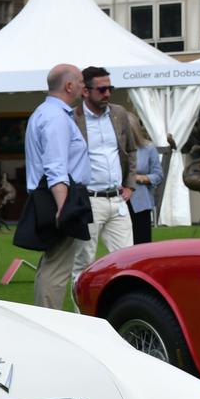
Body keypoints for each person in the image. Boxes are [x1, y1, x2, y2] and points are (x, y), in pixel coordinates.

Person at [24, 64, 90, 310]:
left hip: (56, 194)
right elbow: (55, 165)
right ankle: (50, 321)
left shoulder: (46, 113)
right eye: (82, 81)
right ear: (69, 86)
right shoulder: (55, 117)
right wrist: (64, 207)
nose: (85, 86)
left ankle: (45, 319)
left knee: (52, 263)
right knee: (58, 267)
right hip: (60, 196)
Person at [70, 66, 137, 296]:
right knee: (83, 263)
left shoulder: (118, 113)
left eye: (110, 88)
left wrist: (130, 185)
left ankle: (124, 311)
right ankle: (80, 320)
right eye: (102, 89)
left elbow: (130, 150)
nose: (108, 93)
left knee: (128, 261)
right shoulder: (72, 117)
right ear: (85, 91)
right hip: (88, 200)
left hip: (117, 199)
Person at [128, 119, 164, 245]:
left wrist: (139, 178)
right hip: (118, 200)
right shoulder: (113, 147)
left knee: (141, 244)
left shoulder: (148, 148)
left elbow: (158, 175)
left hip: (140, 201)